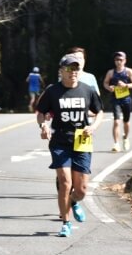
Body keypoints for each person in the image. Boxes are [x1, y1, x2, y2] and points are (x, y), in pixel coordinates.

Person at [36, 54, 104, 237]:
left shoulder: (88, 90)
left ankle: (74, 201)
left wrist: (93, 126)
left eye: (76, 69)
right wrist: (43, 126)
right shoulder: (52, 91)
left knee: (81, 189)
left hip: (82, 140)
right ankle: (65, 223)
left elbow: (100, 112)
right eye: (68, 69)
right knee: (65, 182)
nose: (73, 72)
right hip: (60, 141)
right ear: (61, 71)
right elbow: (40, 112)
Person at [102, 51, 132, 152]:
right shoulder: (111, 72)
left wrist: (126, 85)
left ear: (125, 61)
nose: (118, 62)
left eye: (121, 60)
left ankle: (125, 137)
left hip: (126, 99)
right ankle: (116, 143)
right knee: (116, 121)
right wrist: (109, 88)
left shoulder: (129, 71)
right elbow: (105, 83)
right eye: (117, 60)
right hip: (115, 99)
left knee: (126, 122)